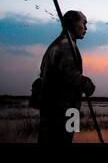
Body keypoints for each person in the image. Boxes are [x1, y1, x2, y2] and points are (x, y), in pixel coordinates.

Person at [38, 10, 95, 144]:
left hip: (64, 109)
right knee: (61, 140)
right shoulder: (65, 46)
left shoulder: (60, 45)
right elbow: (70, 76)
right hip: (62, 111)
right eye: (84, 23)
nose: (86, 28)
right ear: (73, 24)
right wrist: (87, 84)